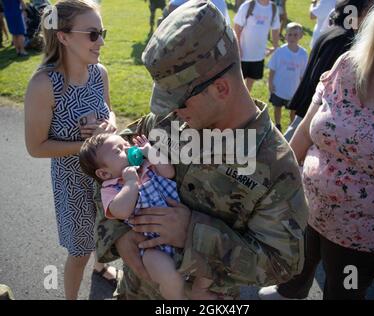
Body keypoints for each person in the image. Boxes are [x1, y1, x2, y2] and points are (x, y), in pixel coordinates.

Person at [94, 0, 308, 300]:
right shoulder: (169, 120)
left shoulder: (275, 165)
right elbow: (103, 169)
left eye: (180, 101)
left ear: (221, 89)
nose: (173, 112)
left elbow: (283, 263)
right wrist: (118, 235)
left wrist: (193, 234)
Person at [260, 0, 374, 300]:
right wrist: (265, 183)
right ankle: (293, 291)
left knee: (343, 292)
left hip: (363, 243)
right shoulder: (346, 67)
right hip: (306, 211)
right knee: (295, 267)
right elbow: (301, 138)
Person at [24, 0, 119, 300]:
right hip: (73, 186)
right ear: (63, 37)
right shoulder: (43, 85)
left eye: (102, 32)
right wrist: (88, 145)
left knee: (106, 234)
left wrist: (109, 126)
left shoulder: (99, 72)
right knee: (79, 251)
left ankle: (101, 267)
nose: (101, 40)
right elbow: (35, 147)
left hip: (106, 179)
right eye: (92, 34)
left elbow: (110, 112)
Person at [79, 133, 216, 299]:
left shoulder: (146, 165)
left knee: (210, 257)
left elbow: (169, 172)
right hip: (152, 245)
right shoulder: (111, 188)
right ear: (104, 174)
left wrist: (150, 151)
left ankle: (199, 289)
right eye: (119, 150)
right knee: (169, 277)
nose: (128, 148)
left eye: (125, 143)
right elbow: (120, 211)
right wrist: (130, 183)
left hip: (184, 234)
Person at [283, 0, 374, 142]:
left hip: (311, 102)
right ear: (359, 12)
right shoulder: (343, 39)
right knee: (288, 147)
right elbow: (322, 78)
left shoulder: (334, 31)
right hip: (314, 105)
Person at [268, 22, 308, 133]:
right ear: (285, 36)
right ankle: (278, 124)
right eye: (289, 34)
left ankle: (292, 126)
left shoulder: (303, 54)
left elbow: (303, 74)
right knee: (277, 107)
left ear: (300, 36)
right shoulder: (280, 51)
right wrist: (270, 83)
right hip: (279, 88)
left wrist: (301, 90)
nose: (292, 37)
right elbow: (272, 69)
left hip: (294, 89)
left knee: (293, 110)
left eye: (295, 35)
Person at [234, 0, 280, 92]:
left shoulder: (273, 8)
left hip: (258, 55)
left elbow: (275, 29)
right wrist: (238, 47)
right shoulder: (248, 5)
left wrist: (275, 47)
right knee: (238, 82)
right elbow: (236, 28)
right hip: (243, 55)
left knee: (251, 80)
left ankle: (246, 99)